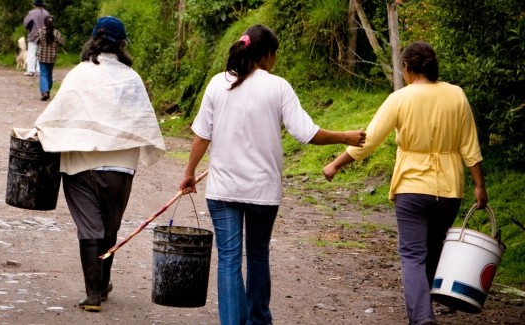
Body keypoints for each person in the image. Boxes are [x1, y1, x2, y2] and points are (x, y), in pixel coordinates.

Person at [178, 24, 366, 325]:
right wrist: (345, 136)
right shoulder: (278, 87)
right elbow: (306, 133)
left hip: (223, 190)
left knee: (228, 258)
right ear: (267, 54)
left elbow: (202, 136)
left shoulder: (217, 83)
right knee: (257, 255)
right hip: (262, 191)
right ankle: (258, 320)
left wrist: (189, 173)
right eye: (275, 54)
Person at [323, 41, 487, 325]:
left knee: (412, 255)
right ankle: (424, 308)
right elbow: (469, 146)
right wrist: (479, 186)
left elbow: (370, 140)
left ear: (407, 68)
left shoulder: (400, 98)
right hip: (450, 189)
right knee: (433, 249)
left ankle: (422, 317)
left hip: (412, 188)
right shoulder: (456, 95)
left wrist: (336, 163)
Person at [33, 16, 166, 312]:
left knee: (89, 228)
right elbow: (142, 119)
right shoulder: (131, 78)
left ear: (93, 41)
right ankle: (103, 283)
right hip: (120, 165)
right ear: (121, 45)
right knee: (109, 226)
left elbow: (56, 115)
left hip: (81, 164)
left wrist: (39, 132)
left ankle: (94, 294)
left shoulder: (78, 74)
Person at [34, 15, 64, 101]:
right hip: (52, 57)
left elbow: (36, 41)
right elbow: (62, 43)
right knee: (49, 74)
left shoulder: (40, 32)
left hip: (42, 56)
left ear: (44, 23)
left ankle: (44, 91)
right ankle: (48, 90)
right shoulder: (56, 33)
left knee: (43, 74)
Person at [22, 0, 49, 76]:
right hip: (44, 35)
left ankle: (30, 70)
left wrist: (30, 26)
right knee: (41, 53)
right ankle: (40, 70)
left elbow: (25, 23)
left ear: (35, 5)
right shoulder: (47, 13)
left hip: (33, 35)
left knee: (31, 53)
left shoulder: (31, 13)